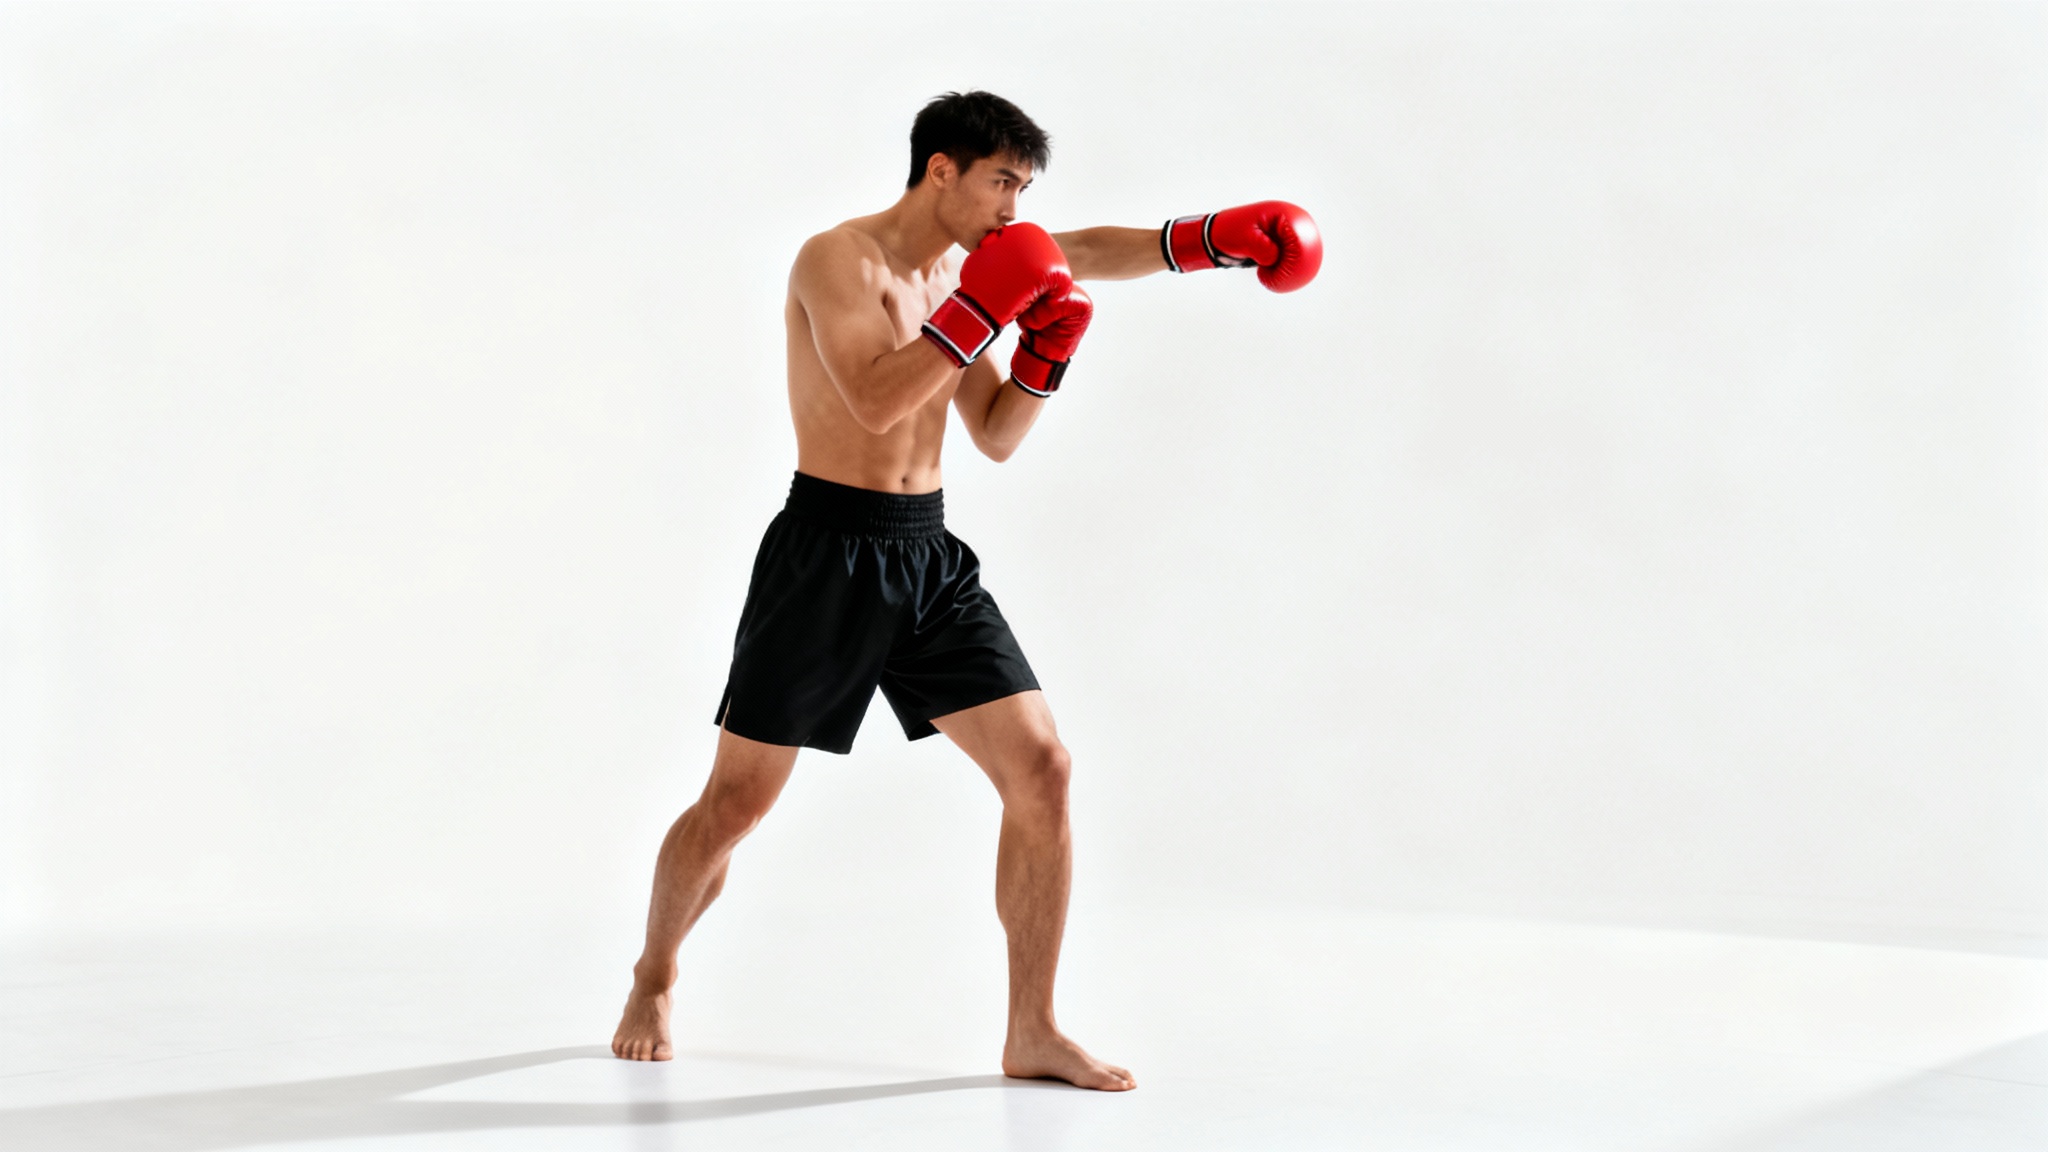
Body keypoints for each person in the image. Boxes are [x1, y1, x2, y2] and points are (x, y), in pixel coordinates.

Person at [611, 90, 1321, 1092]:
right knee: (733, 806)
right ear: (938, 169)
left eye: (1024, 189)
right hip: (825, 555)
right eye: (1000, 182)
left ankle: (1031, 1027)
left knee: (1044, 771)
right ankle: (654, 971)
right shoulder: (836, 259)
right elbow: (870, 396)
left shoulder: (970, 271)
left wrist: (1173, 263)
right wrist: (987, 309)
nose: (1012, 209)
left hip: (926, 556)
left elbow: (993, 428)